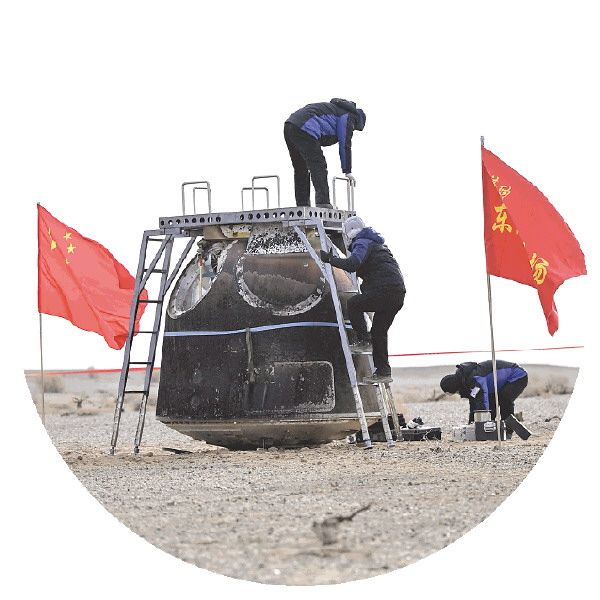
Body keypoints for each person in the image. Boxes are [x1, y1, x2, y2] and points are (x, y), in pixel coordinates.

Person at [320, 216, 405, 384]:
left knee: (354, 304)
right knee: (379, 332)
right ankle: (383, 372)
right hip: (397, 293)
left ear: (349, 234)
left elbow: (353, 263)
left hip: (385, 291)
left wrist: (330, 260)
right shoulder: (377, 244)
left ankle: (364, 340)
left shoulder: (362, 242)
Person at [284, 98, 366, 208]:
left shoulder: (335, 109)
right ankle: (323, 202)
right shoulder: (349, 116)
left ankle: (302, 205)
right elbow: (345, 143)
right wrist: (347, 171)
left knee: (301, 168)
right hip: (306, 128)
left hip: (290, 125)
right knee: (318, 164)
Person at [440, 360, 528, 430]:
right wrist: (471, 424)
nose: (458, 394)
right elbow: (473, 403)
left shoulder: (475, 379)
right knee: (491, 402)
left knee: (504, 399)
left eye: (456, 392)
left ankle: (508, 430)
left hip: (517, 376)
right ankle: (492, 429)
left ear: (457, 387)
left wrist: (482, 425)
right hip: (500, 384)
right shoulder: (466, 381)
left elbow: (482, 400)